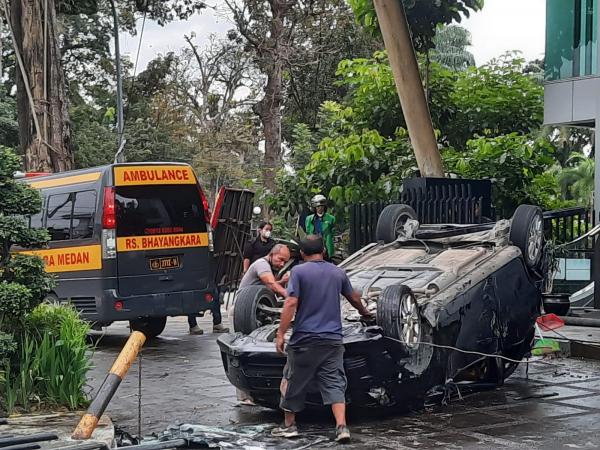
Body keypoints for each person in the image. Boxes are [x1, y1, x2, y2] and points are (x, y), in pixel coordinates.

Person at [272, 235, 372, 443]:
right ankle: (342, 427)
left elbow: (290, 303)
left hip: (304, 340)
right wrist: (364, 312)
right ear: (324, 251)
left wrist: (281, 334)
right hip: (333, 340)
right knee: (335, 382)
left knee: (291, 381)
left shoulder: (298, 272)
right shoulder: (338, 272)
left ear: (301, 253)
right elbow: (353, 297)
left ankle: (290, 426)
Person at [305, 195, 336, 260]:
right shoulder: (309, 219)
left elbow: (333, 233)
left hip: (326, 246)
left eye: (322, 206)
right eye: (318, 206)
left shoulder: (331, 218)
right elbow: (308, 233)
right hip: (313, 245)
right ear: (315, 207)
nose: (320, 208)